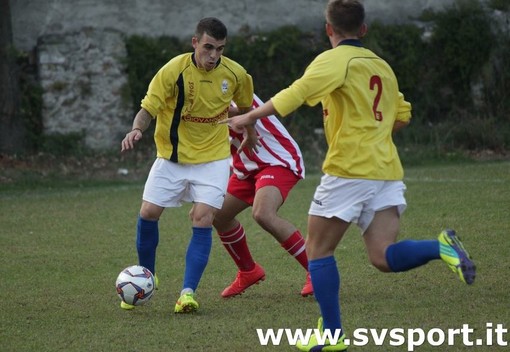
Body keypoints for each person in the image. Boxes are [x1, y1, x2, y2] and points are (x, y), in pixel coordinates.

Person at [224, 0, 476, 350]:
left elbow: (294, 94)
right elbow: (402, 115)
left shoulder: (333, 60)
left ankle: (332, 335)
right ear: (364, 29)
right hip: (386, 170)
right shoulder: (382, 66)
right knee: (382, 256)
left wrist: (249, 118)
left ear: (329, 29)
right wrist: (371, 129)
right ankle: (442, 248)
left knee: (318, 250)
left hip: (350, 168)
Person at [120, 17, 256, 314]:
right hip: (172, 157)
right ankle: (147, 276)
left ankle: (187, 293)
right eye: (208, 47)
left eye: (219, 49)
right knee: (148, 212)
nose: (213, 55)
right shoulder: (174, 70)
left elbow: (246, 108)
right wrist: (136, 130)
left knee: (203, 217)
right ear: (195, 43)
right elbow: (149, 107)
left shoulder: (235, 74)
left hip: (214, 159)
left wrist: (251, 134)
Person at [213, 93, 312, 298]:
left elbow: (246, 110)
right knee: (217, 215)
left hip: (276, 160)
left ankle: (317, 271)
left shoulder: (232, 81)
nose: (213, 58)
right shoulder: (194, 88)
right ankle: (249, 271)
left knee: (263, 213)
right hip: (246, 168)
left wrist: (203, 113)